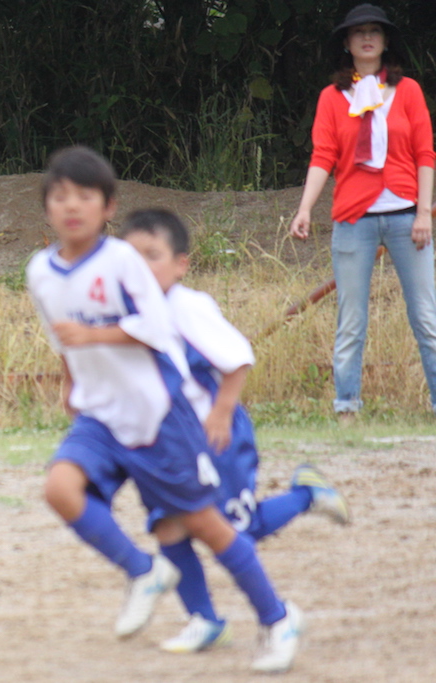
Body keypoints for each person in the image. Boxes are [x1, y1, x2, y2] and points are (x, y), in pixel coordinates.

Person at [27, 146, 302, 673]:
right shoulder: (40, 270)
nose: (71, 206)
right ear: (46, 208)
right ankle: (143, 571)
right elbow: (60, 335)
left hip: (157, 416)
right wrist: (70, 382)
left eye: (85, 196)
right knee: (60, 489)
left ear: (108, 207)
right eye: (59, 197)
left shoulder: (122, 262)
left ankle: (277, 617)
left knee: (205, 524)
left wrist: (93, 335)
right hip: (101, 415)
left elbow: (155, 329)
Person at [120, 208, 351, 654]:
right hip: (171, 443)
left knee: (237, 528)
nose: (142, 269)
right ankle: (204, 619)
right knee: (167, 523)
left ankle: (306, 494)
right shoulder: (129, 314)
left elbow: (238, 356)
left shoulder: (187, 306)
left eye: (153, 255)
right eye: (132, 259)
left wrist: (222, 414)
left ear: (181, 264)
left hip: (216, 436)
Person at [289, 3, 436, 419]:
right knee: (351, 319)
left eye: (374, 31)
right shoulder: (332, 98)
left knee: (427, 318)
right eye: (358, 32)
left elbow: (425, 154)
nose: (367, 38)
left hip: (407, 215)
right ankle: (347, 407)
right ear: (347, 44)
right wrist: (305, 208)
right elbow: (323, 156)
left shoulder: (408, 91)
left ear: (385, 42)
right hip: (354, 218)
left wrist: (424, 212)